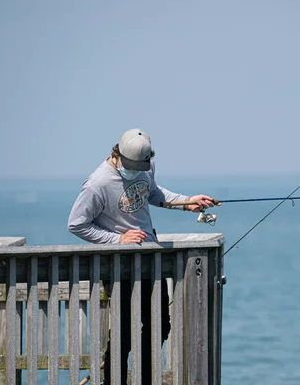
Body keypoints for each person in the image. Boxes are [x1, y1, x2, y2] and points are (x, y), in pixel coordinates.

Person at [67, 128, 219, 384]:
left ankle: (146, 380)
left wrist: (187, 202)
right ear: (118, 155)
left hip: (151, 261)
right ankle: (114, 381)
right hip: (119, 267)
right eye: (133, 166)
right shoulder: (97, 184)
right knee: (123, 332)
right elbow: (77, 224)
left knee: (160, 326)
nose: (138, 170)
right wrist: (118, 239)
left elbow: (153, 193)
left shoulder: (146, 167)